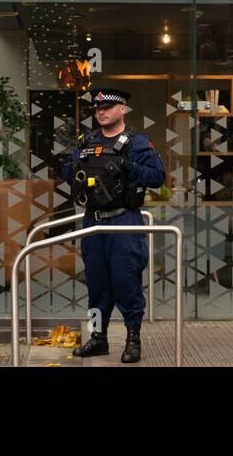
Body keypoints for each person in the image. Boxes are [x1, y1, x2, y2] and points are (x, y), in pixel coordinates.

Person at [63, 87, 166, 363]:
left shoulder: (137, 143)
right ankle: (98, 339)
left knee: (126, 281)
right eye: (98, 109)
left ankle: (133, 340)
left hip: (124, 221)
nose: (101, 112)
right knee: (97, 283)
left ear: (122, 109)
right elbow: (67, 169)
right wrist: (74, 171)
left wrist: (129, 167)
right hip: (93, 223)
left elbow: (157, 177)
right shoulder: (87, 141)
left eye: (107, 107)